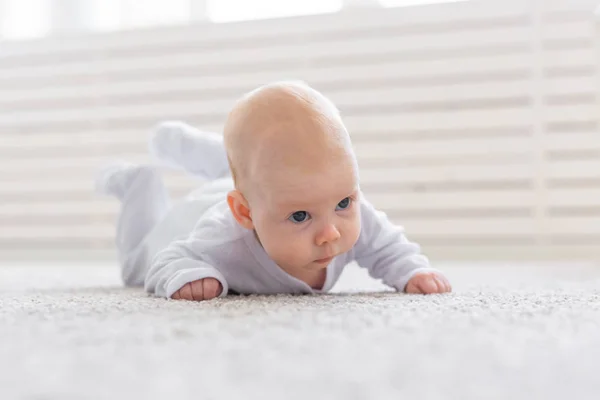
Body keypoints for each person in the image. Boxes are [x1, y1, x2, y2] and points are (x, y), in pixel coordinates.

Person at [96, 81, 452, 301]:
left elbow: (387, 246)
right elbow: (167, 262)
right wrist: (190, 277)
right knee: (134, 269)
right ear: (245, 214)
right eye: (300, 216)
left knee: (259, 170)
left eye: (345, 202)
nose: (330, 232)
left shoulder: (325, 200)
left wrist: (412, 271)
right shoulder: (221, 240)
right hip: (186, 218)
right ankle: (137, 184)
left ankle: (215, 155)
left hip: (255, 192)